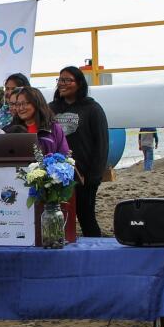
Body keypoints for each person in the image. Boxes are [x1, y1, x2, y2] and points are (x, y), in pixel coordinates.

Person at [49, 66, 108, 237]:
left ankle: (96, 249)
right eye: (60, 80)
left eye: (67, 80)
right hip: (56, 174)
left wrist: (94, 176)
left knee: (86, 217)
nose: (62, 83)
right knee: (58, 218)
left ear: (80, 83)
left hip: (83, 176)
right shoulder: (51, 108)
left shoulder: (92, 108)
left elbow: (101, 144)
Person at [6, 87, 70, 155]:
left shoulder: (53, 128)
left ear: (36, 103)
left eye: (24, 103)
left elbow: (65, 156)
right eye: (18, 104)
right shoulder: (11, 129)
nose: (21, 108)